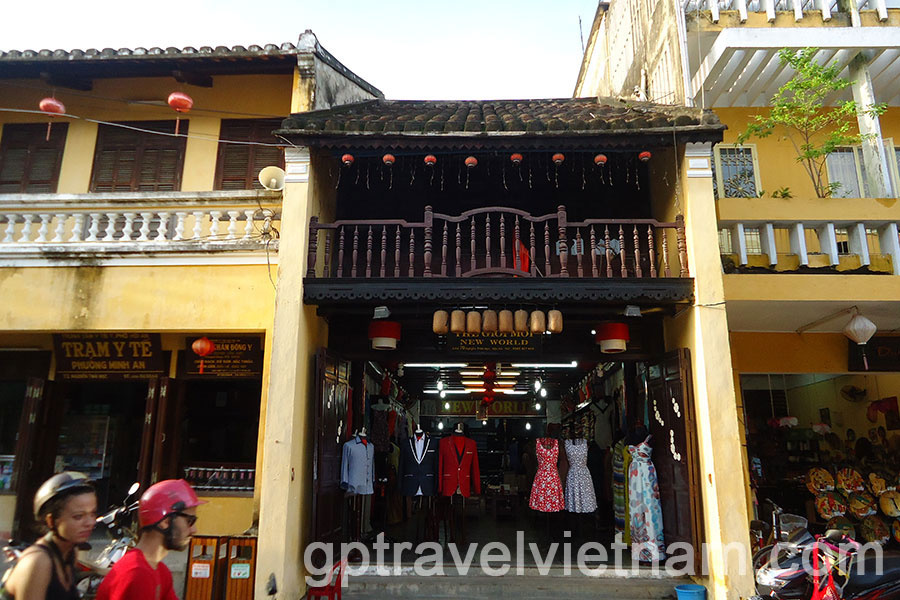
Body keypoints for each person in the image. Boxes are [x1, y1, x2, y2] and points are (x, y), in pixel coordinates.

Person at [95, 479, 203, 600]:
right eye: (190, 521)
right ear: (165, 522)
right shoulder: (137, 573)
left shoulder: (161, 571)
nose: (194, 530)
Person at [1, 471, 97, 600]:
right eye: (78, 516)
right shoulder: (38, 562)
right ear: (51, 521)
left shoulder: (70, 552)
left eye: (92, 514)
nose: (90, 523)